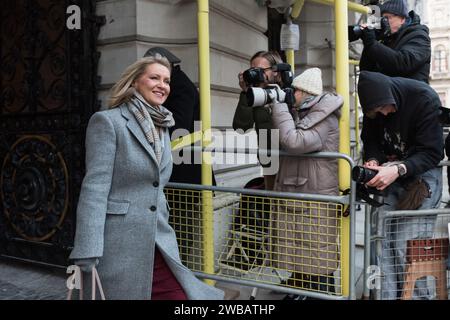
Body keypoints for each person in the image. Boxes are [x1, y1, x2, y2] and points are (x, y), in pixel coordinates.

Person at [69, 56, 224, 300]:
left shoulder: (162, 124)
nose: (162, 85)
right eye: (154, 77)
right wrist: (88, 249)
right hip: (119, 243)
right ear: (134, 82)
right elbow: (95, 189)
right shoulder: (108, 122)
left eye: (167, 80)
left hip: (157, 239)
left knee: (183, 296)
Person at [358, 71, 443, 300]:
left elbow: (433, 152)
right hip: (389, 171)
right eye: (377, 112)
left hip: (421, 176)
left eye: (385, 108)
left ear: (391, 96)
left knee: (407, 245)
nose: (383, 114)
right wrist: (373, 160)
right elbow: (371, 139)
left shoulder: (423, 98)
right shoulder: (373, 105)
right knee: (382, 242)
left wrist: (398, 169)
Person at [269, 68, 343, 300]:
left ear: (304, 92)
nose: (291, 96)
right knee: (302, 253)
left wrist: (279, 106)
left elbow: (294, 141)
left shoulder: (325, 118)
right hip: (303, 195)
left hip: (315, 198)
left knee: (317, 257)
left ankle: (318, 296)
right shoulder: (306, 113)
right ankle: (302, 292)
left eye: (294, 92)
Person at [143, 47, 215, 266]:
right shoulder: (178, 84)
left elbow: (178, 127)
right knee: (176, 232)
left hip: (185, 174)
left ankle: (177, 282)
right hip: (183, 173)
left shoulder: (181, 87)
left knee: (179, 234)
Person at [232, 50, 283, 190]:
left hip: (291, 160)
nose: (257, 75)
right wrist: (246, 92)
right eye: (253, 70)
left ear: (275, 72)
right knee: (274, 206)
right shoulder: (254, 94)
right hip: (269, 161)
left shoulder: (288, 92)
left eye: (261, 70)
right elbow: (241, 127)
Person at [349, 0, 431, 83]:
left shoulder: (419, 35)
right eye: (383, 18)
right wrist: (369, 42)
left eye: (388, 17)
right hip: (387, 92)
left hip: (412, 93)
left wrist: (372, 44)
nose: (385, 22)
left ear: (402, 19)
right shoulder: (386, 39)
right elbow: (367, 71)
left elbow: (404, 63)